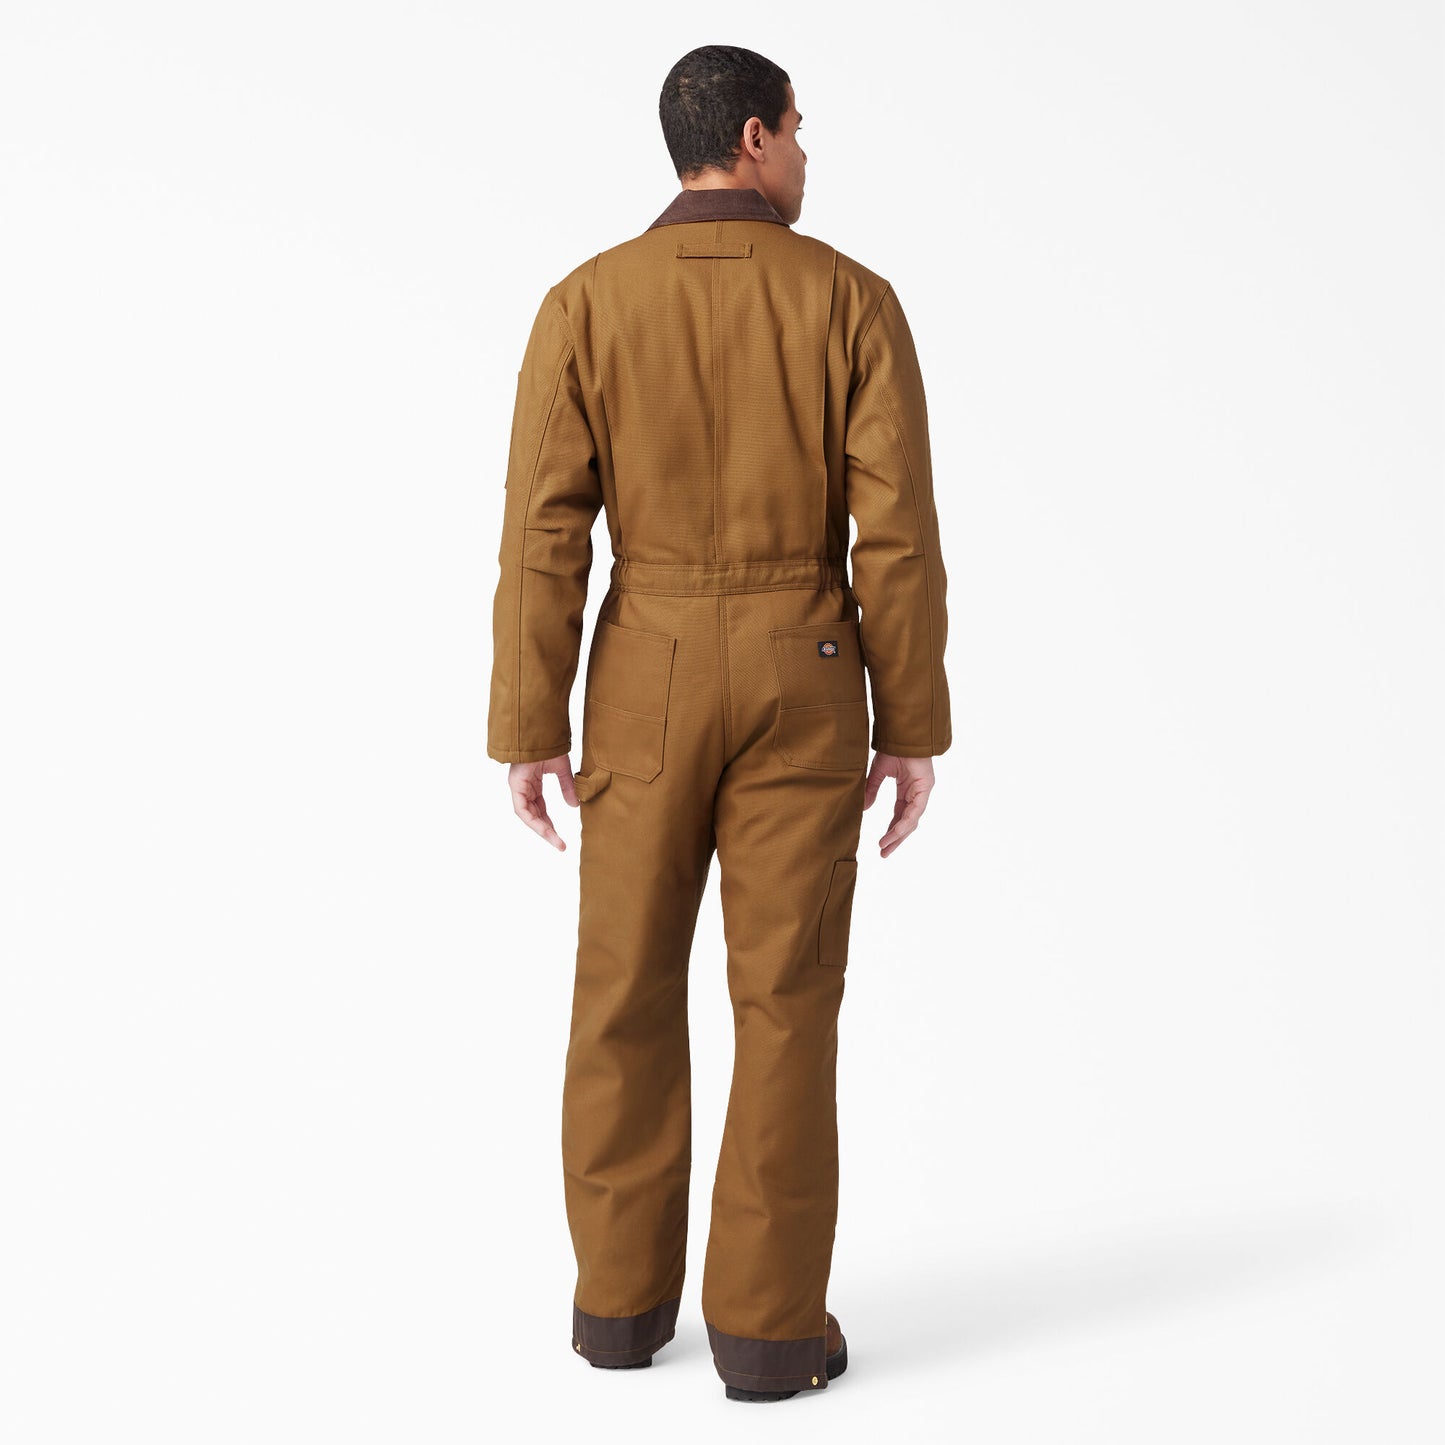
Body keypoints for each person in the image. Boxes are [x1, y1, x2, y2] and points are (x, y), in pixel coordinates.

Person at [487, 43, 951, 1402]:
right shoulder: (849, 299)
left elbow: (543, 532)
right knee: (785, 1001)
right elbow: (896, 535)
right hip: (806, 665)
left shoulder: (586, 302)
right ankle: (765, 1335)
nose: (805, 153)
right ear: (753, 137)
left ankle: (619, 1311)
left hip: (644, 667)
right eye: (798, 128)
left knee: (621, 985)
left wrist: (529, 721)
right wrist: (910, 720)